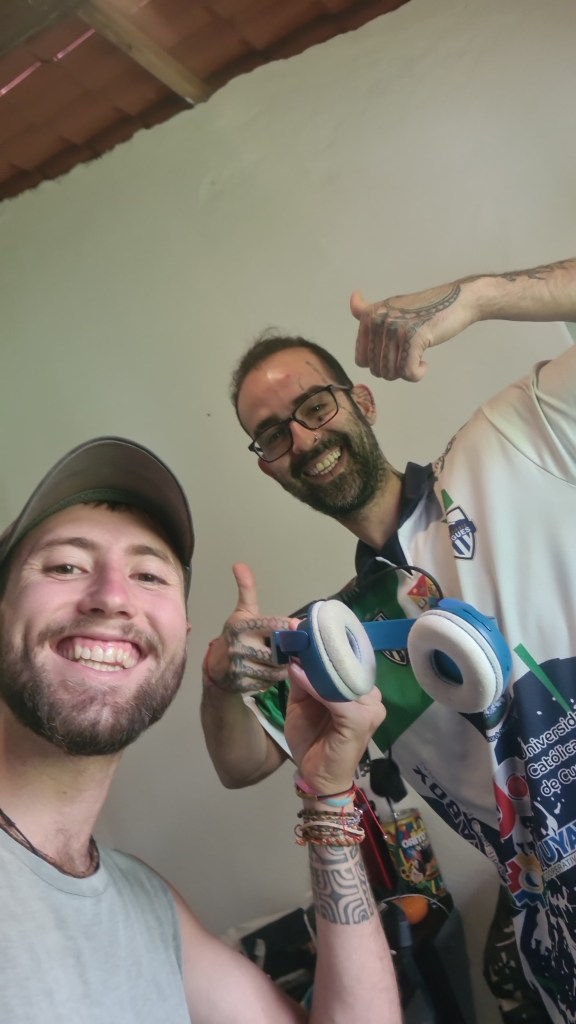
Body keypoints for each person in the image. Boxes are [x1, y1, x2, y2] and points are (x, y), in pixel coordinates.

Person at [200, 256, 576, 1024]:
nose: (303, 439)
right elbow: (240, 764)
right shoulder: (338, 639)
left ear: (362, 401)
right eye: (272, 436)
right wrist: (219, 682)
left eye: (315, 406)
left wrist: (480, 297)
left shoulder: (507, 443)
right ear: (270, 469)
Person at [0, 435, 402, 1024]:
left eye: (148, 575)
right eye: (65, 566)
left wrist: (329, 796)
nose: (112, 597)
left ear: (181, 637)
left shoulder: (148, 905)